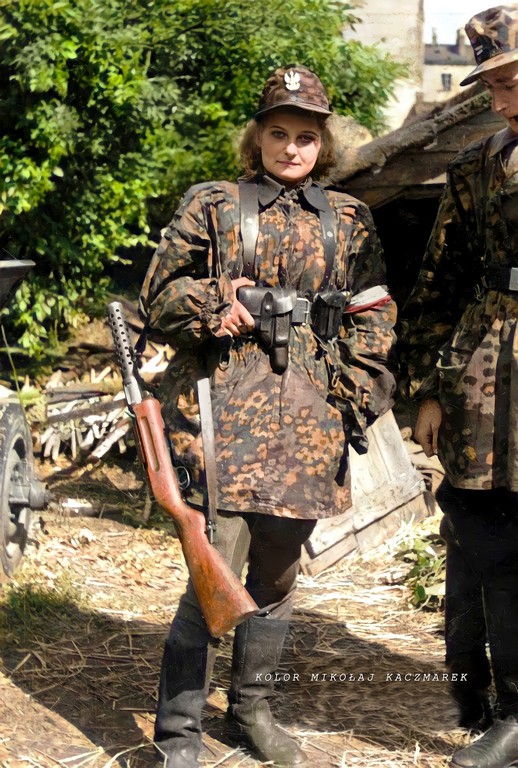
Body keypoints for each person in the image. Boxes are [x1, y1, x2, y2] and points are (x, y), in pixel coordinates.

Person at [139, 64, 396, 768]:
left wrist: (355, 396)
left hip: (311, 422)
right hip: (221, 415)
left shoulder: (349, 217)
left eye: (305, 137)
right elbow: (158, 296)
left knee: (278, 577)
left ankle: (252, 711)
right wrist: (215, 302)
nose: (291, 148)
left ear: (324, 145)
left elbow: (375, 309)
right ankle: (178, 733)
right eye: (278, 133)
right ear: (256, 138)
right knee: (213, 571)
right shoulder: (214, 204)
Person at [400, 6, 518, 768]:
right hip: (485, 362)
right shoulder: (477, 166)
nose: (504, 100)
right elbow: (438, 280)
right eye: (494, 87)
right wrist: (427, 389)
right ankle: (487, 699)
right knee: (480, 525)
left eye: (514, 82)